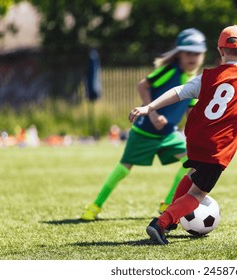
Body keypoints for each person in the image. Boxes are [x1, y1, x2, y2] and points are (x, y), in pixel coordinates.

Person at [129, 25, 237, 245]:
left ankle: (171, 219)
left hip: (195, 137)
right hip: (217, 146)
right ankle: (162, 222)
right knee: (198, 193)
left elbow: (179, 92)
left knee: (193, 173)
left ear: (221, 51)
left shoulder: (209, 75)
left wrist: (149, 107)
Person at [80, 28, 207, 221]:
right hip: (144, 132)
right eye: (189, 53)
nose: (193, 57)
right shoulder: (169, 71)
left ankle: (167, 203)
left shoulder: (194, 79)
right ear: (179, 53)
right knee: (124, 168)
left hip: (168, 135)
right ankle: (95, 205)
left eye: (197, 53)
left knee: (192, 162)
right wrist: (153, 114)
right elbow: (143, 85)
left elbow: (191, 110)